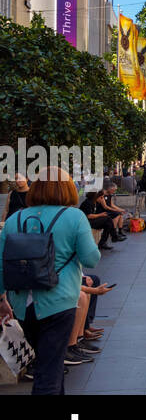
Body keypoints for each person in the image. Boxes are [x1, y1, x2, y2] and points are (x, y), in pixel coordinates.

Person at [0, 166, 101, 394]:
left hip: (22, 305)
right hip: (59, 301)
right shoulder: (74, 217)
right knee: (48, 374)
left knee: (50, 365)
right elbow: (91, 259)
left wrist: (1, 300)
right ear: (67, 189)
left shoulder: (15, 219)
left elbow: (1, 264)